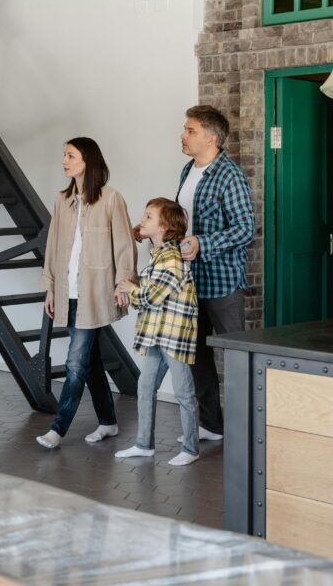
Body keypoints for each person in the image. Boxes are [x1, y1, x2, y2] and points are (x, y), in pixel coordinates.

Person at [37, 137, 137, 449]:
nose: (64, 160)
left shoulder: (111, 199)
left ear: (87, 161)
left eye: (70, 155)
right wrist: (51, 288)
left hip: (95, 292)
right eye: (64, 154)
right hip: (69, 292)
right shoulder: (61, 200)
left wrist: (124, 283)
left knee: (76, 363)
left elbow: (123, 244)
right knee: (90, 362)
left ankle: (58, 428)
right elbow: (53, 247)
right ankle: (108, 422)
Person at [165, 105, 254, 442]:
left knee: (235, 359)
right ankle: (212, 425)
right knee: (197, 356)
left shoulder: (229, 175)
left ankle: (245, 429)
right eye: (185, 130)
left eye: (190, 130)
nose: (183, 135)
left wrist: (202, 244)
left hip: (223, 283)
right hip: (190, 283)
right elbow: (184, 222)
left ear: (211, 138)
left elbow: (245, 228)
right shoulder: (188, 170)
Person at [114, 198, 200, 466]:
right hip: (156, 335)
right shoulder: (158, 257)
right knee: (145, 387)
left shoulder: (171, 260)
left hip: (173, 337)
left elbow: (151, 296)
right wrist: (133, 284)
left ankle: (191, 447)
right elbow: (150, 289)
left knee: (183, 391)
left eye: (149, 217)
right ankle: (144, 444)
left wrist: (130, 289)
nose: (143, 220)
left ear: (163, 226)